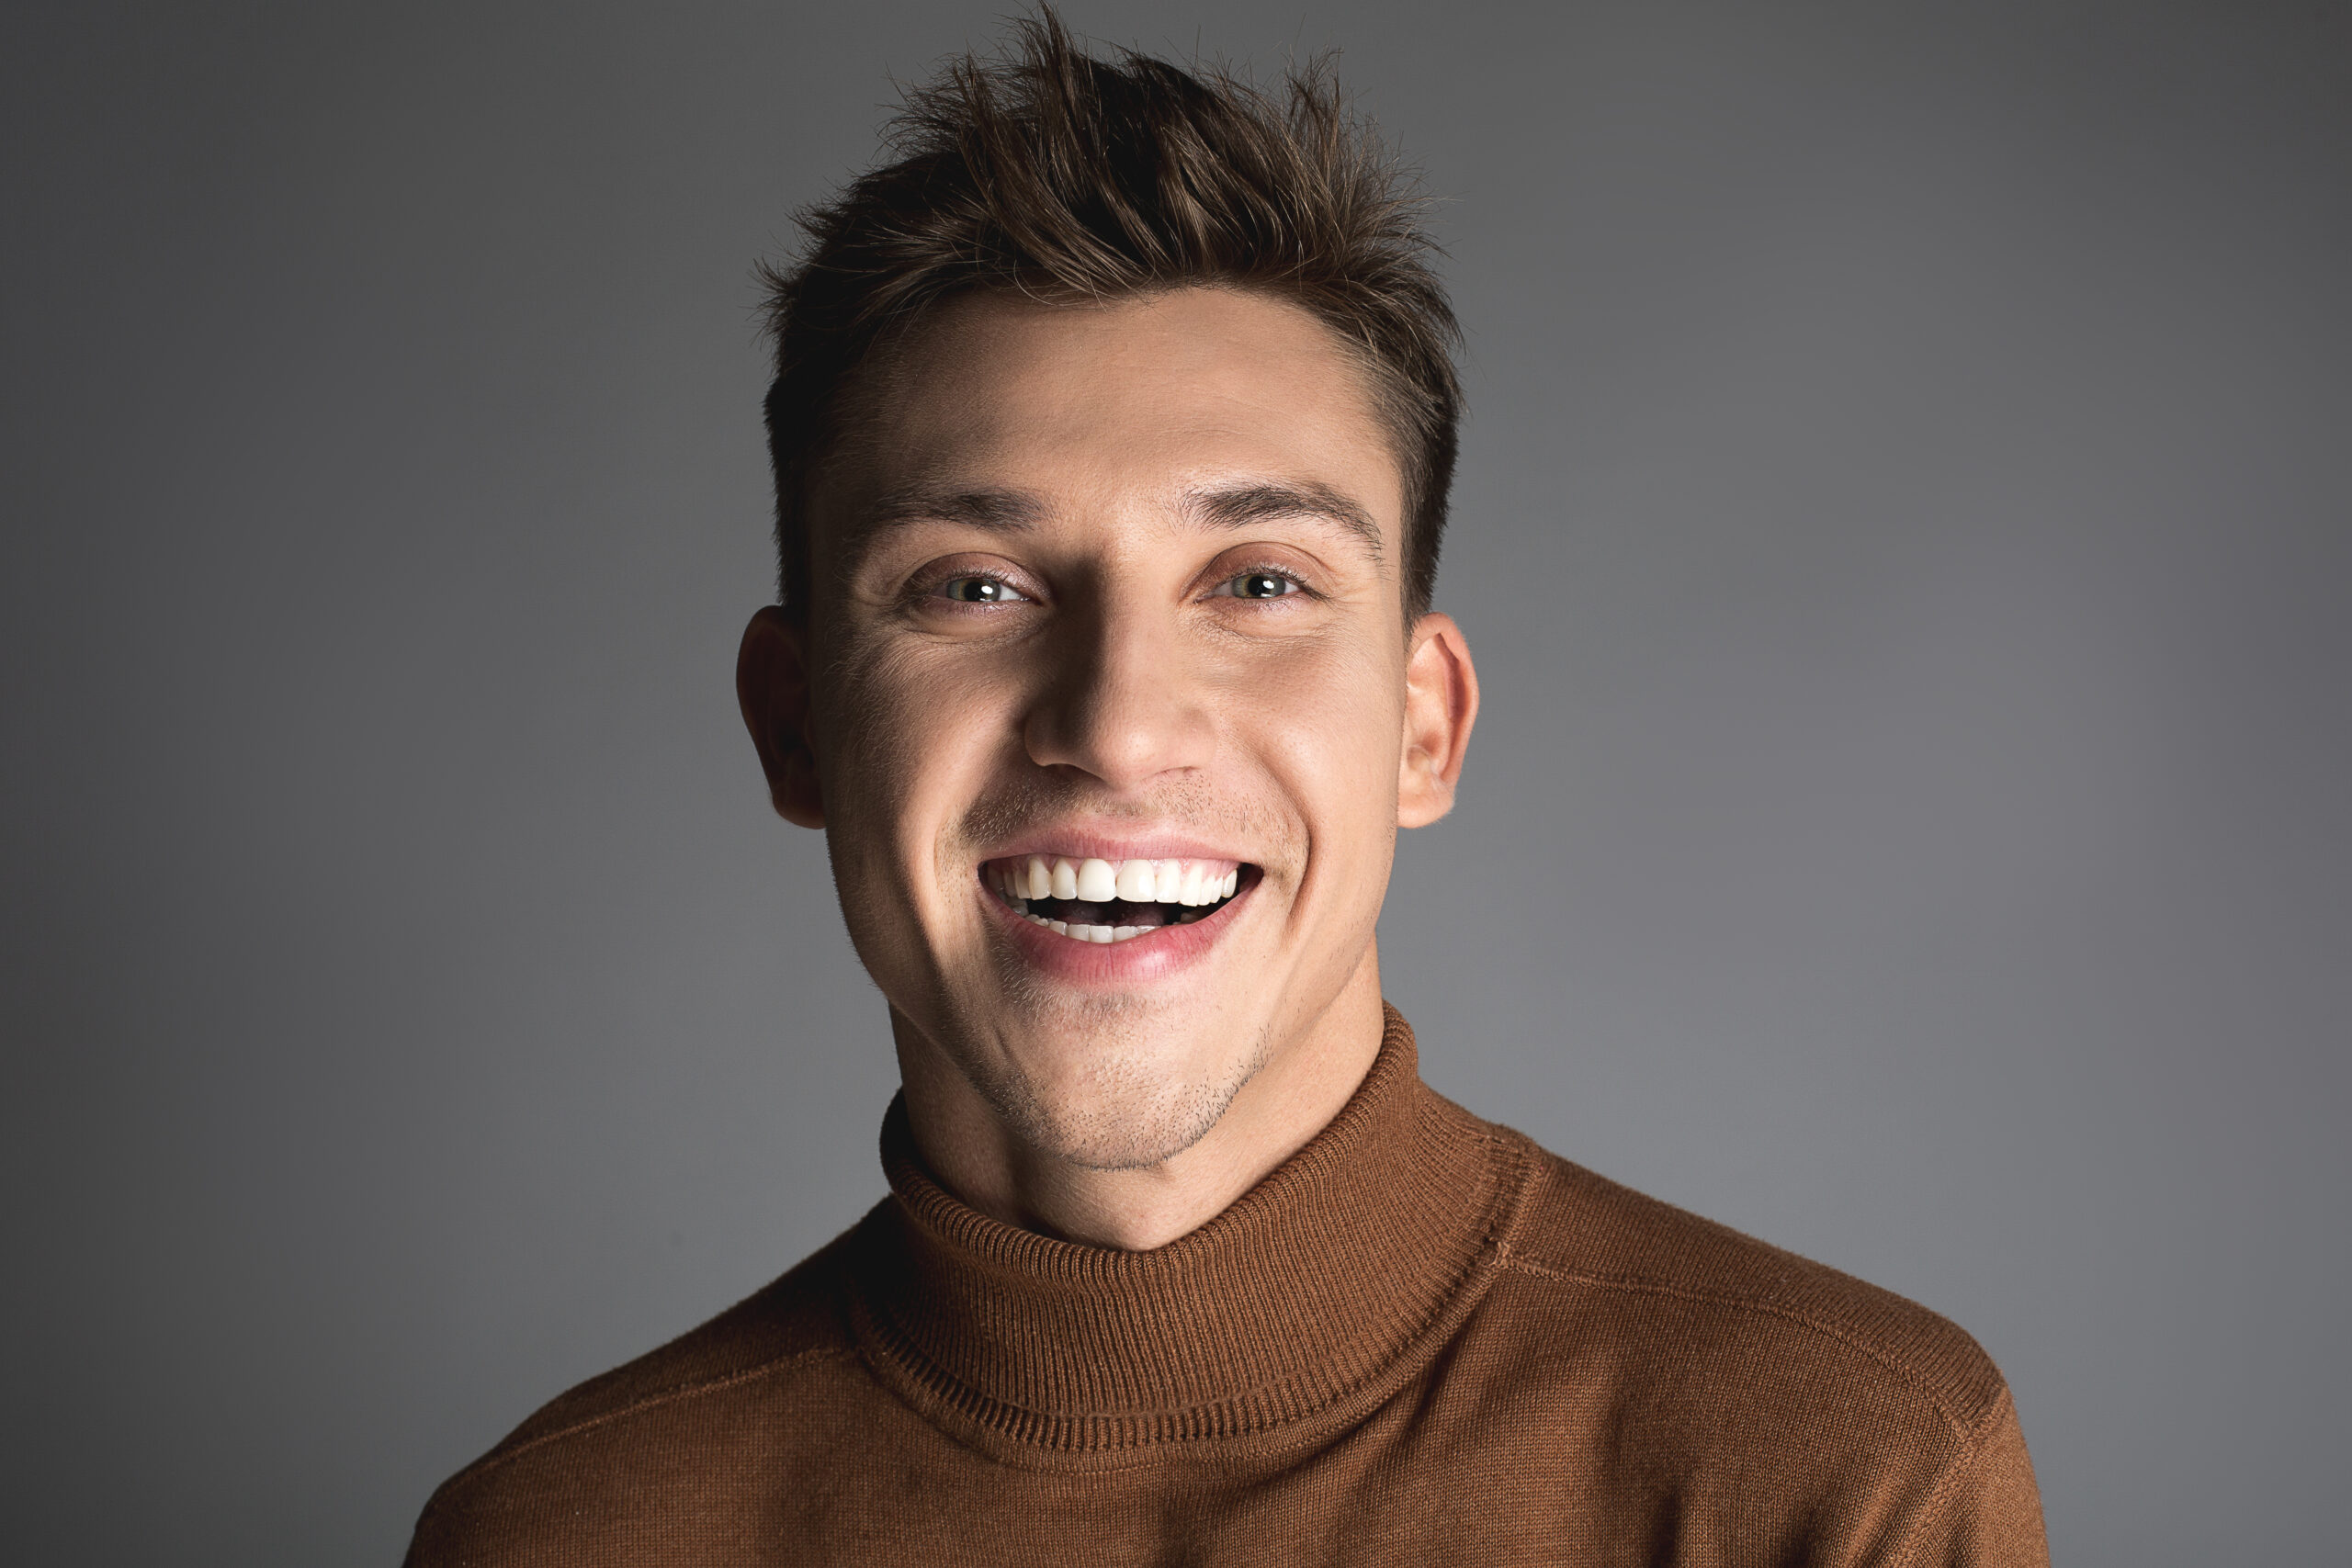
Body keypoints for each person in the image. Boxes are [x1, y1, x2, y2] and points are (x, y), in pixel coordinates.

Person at [405, 15, 2050, 1564]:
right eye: (976, 587)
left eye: (1259, 583)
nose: (1117, 733)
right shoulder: (568, 1534)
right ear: (797, 730)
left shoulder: (1844, 1475)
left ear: (1424, 728)